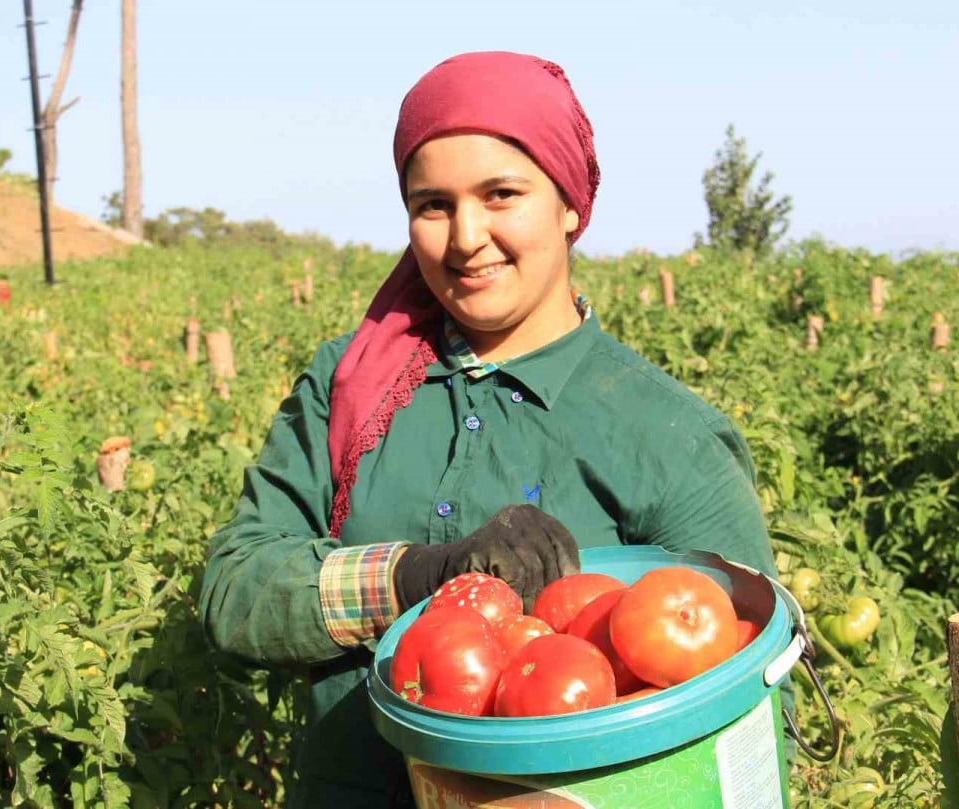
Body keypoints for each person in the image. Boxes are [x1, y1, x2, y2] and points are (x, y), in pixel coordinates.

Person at [201, 51, 785, 809]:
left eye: (501, 194)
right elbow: (234, 588)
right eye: (432, 204)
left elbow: (747, 700)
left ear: (569, 204)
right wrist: (416, 577)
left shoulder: (666, 435)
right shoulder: (348, 386)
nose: (465, 236)